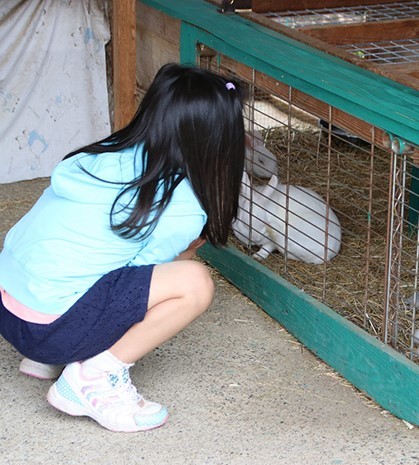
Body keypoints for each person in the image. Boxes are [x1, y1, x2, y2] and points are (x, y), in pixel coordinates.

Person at [0, 63, 245, 432]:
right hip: (48, 331)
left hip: (12, 308)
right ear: (217, 138)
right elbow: (136, 280)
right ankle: (93, 379)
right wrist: (186, 250)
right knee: (194, 282)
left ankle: (51, 360)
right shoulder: (179, 203)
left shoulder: (104, 154)